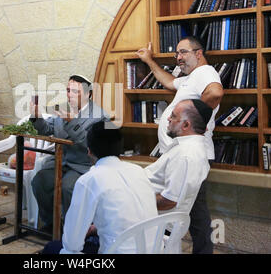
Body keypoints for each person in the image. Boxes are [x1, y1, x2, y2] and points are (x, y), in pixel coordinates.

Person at [136, 37, 223, 254]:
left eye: (183, 52)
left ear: (199, 53)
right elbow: (167, 81)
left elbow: (215, 93)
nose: (178, 58)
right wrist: (149, 61)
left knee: (196, 214)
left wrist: (194, 117)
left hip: (188, 155)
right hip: (178, 155)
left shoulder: (205, 72)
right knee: (191, 211)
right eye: (177, 54)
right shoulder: (190, 78)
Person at [42, 121, 158, 254]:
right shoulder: (139, 171)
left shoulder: (89, 180)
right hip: (154, 248)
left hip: (116, 252)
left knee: (52, 248)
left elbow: (72, 244)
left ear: (89, 151)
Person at [30, 74, 109, 233]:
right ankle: (52, 224)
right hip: (61, 161)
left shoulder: (100, 116)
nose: (69, 95)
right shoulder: (63, 108)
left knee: (68, 187)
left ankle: (71, 231)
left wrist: (72, 122)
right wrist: (36, 117)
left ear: (88, 94)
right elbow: (47, 129)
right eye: (68, 90)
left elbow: (92, 145)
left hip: (83, 165)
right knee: (39, 181)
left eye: (75, 92)